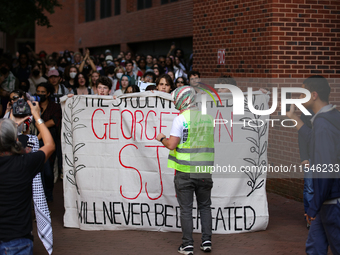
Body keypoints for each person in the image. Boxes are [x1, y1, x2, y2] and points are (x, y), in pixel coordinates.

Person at [156, 86, 214, 255]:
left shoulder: (180, 119)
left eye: (175, 99)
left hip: (185, 171)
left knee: (186, 209)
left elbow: (172, 144)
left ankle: (187, 245)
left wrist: (161, 138)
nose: (174, 103)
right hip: (204, 171)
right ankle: (207, 241)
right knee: (205, 206)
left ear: (182, 100)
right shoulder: (208, 118)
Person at [286, 75, 340, 255]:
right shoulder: (328, 117)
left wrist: (314, 206)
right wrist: (294, 117)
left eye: (303, 94)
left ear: (314, 95)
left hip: (331, 202)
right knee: (314, 248)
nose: (300, 99)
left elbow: (326, 170)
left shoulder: (323, 124)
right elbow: (312, 140)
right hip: (326, 201)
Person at [0, 100, 55, 254]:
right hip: (18, 240)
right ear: (17, 140)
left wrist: (10, 118)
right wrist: (37, 117)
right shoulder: (25, 163)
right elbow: (49, 145)